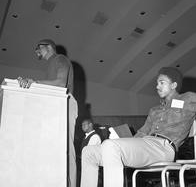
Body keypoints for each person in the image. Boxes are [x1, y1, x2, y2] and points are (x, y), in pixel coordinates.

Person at [80, 67, 196, 187]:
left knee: (110, 145)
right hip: (146, 144)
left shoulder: (188, 98)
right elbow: (142, 132)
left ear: (174, 85)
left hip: (164, 147)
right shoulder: (154, 110)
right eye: (157, 83)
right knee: (89, 152)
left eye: (162, 83)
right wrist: (123, 140)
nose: (157, 86)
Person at [17, 39, 77, 187]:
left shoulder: (60, 59)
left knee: (66, 149)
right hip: (55, 105)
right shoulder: (50, 64)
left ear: (49, 47)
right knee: (54, 150)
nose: (36, 51)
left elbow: (61, 83)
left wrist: (34, 82)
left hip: (66, 102)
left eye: (39, 48)